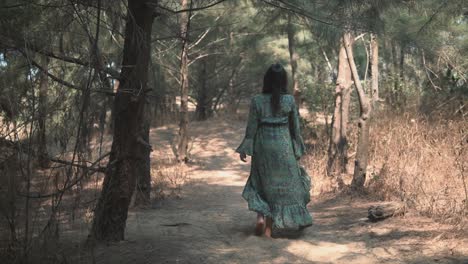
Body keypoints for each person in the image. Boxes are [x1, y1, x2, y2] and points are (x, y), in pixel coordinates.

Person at [236, 63, 313, 238]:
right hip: (283, 147)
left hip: (263, 147)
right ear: (283, 81)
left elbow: (251, 128)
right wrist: (297, 148)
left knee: (261, 183)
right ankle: (274, 227)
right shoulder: (289, 100)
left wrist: (245, 149)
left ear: (266, 80)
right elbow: (295, 128)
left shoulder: (257, 100)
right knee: (290, 183)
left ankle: (262, 219)